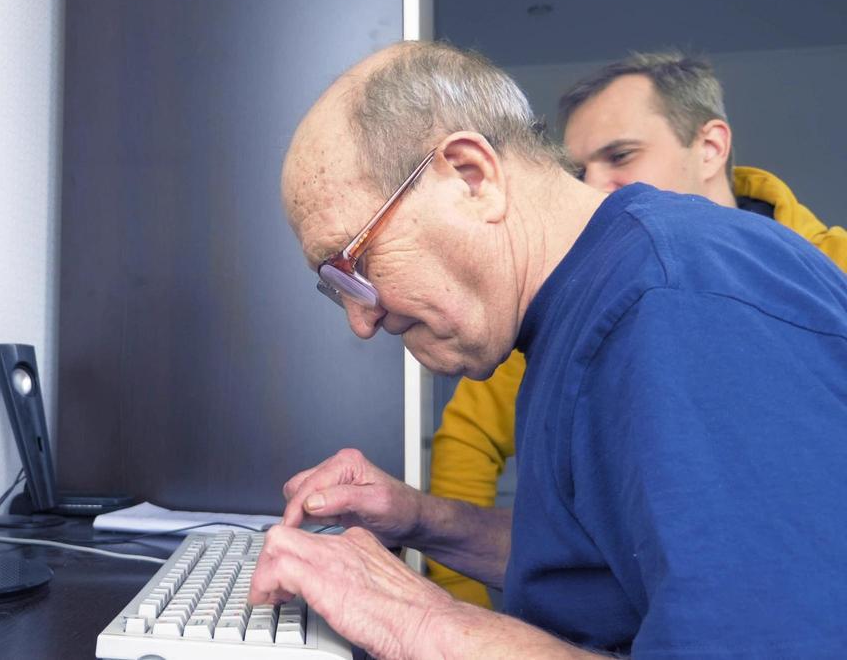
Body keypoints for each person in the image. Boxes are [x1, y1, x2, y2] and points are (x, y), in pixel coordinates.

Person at [247, 40, 847, 658]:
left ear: (472, 177)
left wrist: (423, 623)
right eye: (336, 286)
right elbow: (622, 561)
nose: (361, 321)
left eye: (355, 262)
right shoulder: (585, 300)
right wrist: (421, 520)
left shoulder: (678, 303)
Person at [427, 52, 847, 608]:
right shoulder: (563, 305)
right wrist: (460, 608)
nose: (595, 185)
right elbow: (469, 437)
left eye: (620, 155)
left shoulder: (833, 269)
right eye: (579, 171)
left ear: (711, 146)